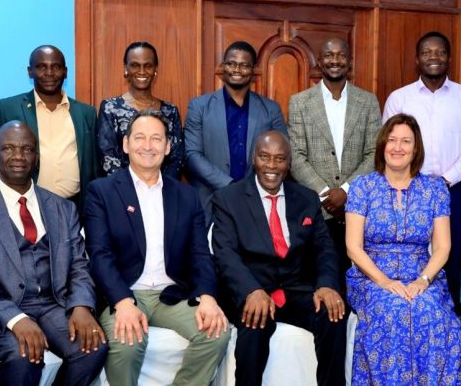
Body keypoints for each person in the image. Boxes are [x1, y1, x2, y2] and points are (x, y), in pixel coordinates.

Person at [0, 121, 108, 386]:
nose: (19, 156)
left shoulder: (62, 208)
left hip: (51, 304)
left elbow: (80, 265)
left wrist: (81, 306)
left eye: (27, 149)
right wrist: (15, 318)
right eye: (9, 148)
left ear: (36, 158)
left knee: (92, 347)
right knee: (24, 354)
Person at [84, 110, 230, 386]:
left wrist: (208, 297)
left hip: (171, 293)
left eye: (156, 138)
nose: (148, 146)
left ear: (167, 146)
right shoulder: (101, 192)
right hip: (126, 293)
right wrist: (123, 302)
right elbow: (100, 255)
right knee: (127, 343)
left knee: (216, 333)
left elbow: (200, 254)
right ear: (126, 145)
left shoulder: (186, 196)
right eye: (139, 138)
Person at [212, 130, 348, 386]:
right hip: (255, 289)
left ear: (289, 163)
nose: (272, 166)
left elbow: (325, 249)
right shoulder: (228, 199)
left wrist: (327, 285)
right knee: (253, 325)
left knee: (334, 314)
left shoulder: (306, 198)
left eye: (280, 159)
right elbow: (225, 254)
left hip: (297, 290)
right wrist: (251, 291)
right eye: (265, 157)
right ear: (254, 159)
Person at [345, 114, 461, 385]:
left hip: (422, 276)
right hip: (372, 277)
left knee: (432, 314)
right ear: (382, 146)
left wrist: (423, 280)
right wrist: (385, 281)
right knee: (393, 311)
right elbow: (353, 248)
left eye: (405, 141)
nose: (397, 147)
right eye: (391, 140)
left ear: (416, 149)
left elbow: (443, 246)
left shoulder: (435, 189)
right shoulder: (363, 187)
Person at [382, 31, 461, 306]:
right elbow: (390, 146)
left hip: (453, 191)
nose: (434, 57)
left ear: (449, 58)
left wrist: (445, 181)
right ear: (417, 60)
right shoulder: (399, 98)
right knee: (407, 261)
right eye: (427, 52)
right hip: (406, 190)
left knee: (450, 262)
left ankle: (448, 324)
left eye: (439, 52)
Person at [288, 37, 382, 295]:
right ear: (319, 61)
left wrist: (347, 191)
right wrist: (327, 194)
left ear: (349, 61)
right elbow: (296, 155)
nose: (335, 61)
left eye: (341, 56)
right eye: (329, 55)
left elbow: (375, 152)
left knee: (355, 281)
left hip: (358, 208)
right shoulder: (300, 102)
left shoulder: (368, 101)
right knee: (319, 279)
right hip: (317, 208)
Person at [185, 41, 287, 220]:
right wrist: (230, 185)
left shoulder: (270, 109)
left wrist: (249, 188)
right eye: (231, 63)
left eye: (244, 65)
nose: (237, 69)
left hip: (256, 199)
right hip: (209, 200)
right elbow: (192, 155)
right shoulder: (199, 107)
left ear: (253, 70)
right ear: (223, 66)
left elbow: (283, 154)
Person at [0, 45, 99, 208]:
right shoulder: (7, 108)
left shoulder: (86, 113)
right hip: (26, 206)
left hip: (74, 206)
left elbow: (93, 166)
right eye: (41, 67)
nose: (49, 73)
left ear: (65, 71)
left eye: (56, 67)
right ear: (30, 71)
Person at [97, 41, 185, 179]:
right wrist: (131, 190)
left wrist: (161, 190)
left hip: (162, 193)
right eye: (135, 65)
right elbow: (108, 157)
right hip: (121, 193)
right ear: (126, 68)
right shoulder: (110, 108)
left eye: (148, 66)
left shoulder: (170, 111)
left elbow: (176, 159)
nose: (142, 71)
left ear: (156, 69)